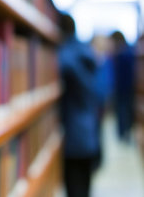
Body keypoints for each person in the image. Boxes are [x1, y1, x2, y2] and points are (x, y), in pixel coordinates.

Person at [58, 14, 101, 197]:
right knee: (84, 185)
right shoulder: (87, 53)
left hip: (73, 136)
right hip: (90, 131)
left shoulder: (66, 56)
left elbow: (62, 65)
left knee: (74, 186)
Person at [110, 31, 135, 142]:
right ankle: (123, 133)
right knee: (123, 111)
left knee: (123, 111)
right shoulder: (127, 52)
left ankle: (123, 133)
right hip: (125, 87)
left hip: (124, 88)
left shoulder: (123, 54)